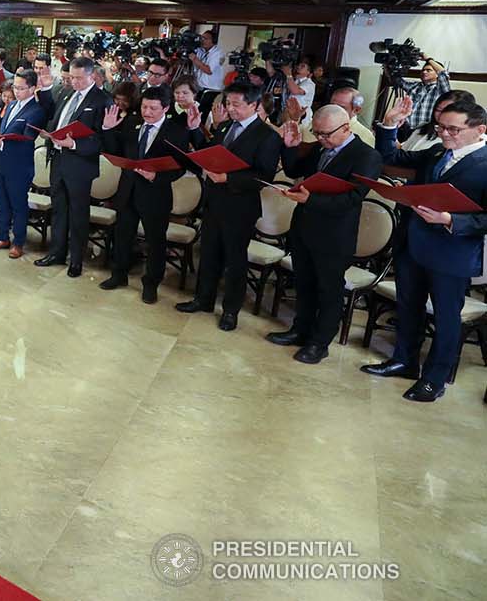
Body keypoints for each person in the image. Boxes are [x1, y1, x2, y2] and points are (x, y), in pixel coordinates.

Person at [362, 97, 487, 402]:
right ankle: (404, 360)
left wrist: (450, 220)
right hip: (414, 244)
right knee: (408, 307)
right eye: (441, 127)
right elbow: (391, 156)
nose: (445, 134)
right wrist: (390, 125)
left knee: (446, 318)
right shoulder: (436, 152)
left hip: (452, 253)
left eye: (454, 130)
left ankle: (435, 378)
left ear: (480, 130)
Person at [265, 106, 383, 363]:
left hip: (334, 234)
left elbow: (353, 199)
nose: (321, 139)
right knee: (304, 283)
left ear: (346, 128)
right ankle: (300, 329)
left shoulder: (366, 156)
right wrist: (289, 146)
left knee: (329, 290)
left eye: (326, 134)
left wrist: (311, 200)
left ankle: (319, 342)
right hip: (304, 227)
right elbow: (295, 170)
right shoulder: (320, 148)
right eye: (317, 133)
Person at [175, 82, 284, 331]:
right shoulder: (225, 126)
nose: (230, 109)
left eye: (237, 105)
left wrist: (229, 179)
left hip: (240, 206)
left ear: (255, 105)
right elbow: (208, 153)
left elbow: (264, 175)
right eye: (228, 104)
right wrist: (195, 131)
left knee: (235, 261)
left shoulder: (267, 135)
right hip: (214, 202)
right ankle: (203, 299)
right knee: (209, 254)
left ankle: (231, 311)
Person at [98, 84, 190, 303]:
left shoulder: (176, 131)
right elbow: (115, 151)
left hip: (155, 194)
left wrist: (156, 177)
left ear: (166, 108)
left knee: (155, 242)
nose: (147, 112)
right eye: (144, 107)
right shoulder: (132, 122)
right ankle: (118, 274)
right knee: (122, 236)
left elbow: (180, 167)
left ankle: (151, 284)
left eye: (153, 109)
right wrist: (108, 129)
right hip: (128, 190)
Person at [35, 57, 109, 277]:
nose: (74, 82)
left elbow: (101, 139)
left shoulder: (101, 100)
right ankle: (57, 252)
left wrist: (75, 143)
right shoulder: (67, 93)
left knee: (78, 213)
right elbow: (52, 116)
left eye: (78, 78)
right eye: (71, 78)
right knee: (59, 209)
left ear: (91, 76)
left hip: (80, 164)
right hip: (58, 159)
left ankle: (76, 259)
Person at [0, 69, 46, 257]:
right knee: (1, 202)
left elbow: (27, 139)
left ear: (33, 88)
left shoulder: (36, 111)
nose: (16, 91)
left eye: (21, 88)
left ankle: (18, 242)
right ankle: (2, 236)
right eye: (15, 87)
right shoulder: (11, 106)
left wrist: (2, 143)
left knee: (18, 205)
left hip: (19, 166)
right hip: (1, 162)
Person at [395, 57, 451, 133]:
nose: (424, 72)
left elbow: (443, 74)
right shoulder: (414, 86)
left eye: (428, 70)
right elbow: (396, 80)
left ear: (437, 74)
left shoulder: (440, 89)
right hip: (405, 129)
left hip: (426, 132)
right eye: (423, 70)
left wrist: (428, 59)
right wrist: (389, 65)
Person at [189, 30, 226, 109]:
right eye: (202, 38)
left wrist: (195, 59)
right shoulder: (201, 50)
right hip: (200, 87)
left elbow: (208, 70)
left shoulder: (217, 53)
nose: (202, 41)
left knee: (202, 112)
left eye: (206, 38)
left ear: (213, 41)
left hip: (211, 89)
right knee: (194, 109)